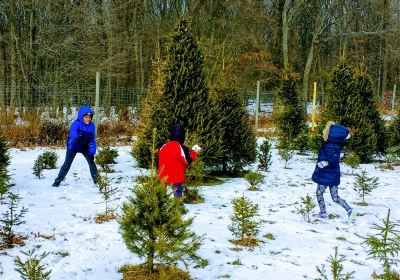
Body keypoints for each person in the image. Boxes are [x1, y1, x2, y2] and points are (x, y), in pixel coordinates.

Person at [311, 121, 353, 219]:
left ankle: (323, 213)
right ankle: (349, 210)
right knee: (335, 197)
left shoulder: (330, 146)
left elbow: (333, 159)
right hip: (333, 174)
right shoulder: (333, 145)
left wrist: (324, 163)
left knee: (319, 193)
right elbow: (335, 156)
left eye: (326, 131)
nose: (323, 132)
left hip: (326, 175)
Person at [52, 106, 97, 187]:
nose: (88, 119)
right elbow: (73, 134)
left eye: (89, 117)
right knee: (67, 164)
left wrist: (92, 151)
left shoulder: (92, 126)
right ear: (81, 117)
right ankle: (57, 182)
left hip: (84, 146)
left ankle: (97, 181)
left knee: (91, 163)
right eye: (86, 117)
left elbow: (92, 139)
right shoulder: (76, 124)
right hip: (74, 145)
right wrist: (76, 138)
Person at [158, 124, 201, 198]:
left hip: (163, 174)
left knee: (161, 194)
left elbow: (158, 160)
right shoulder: (181, 147)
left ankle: (160, 207)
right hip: (176, 176)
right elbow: (187, 162)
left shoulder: (164, 146)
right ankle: (178, 207)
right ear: (182, 136)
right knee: (177, 191)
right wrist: (194, 152)